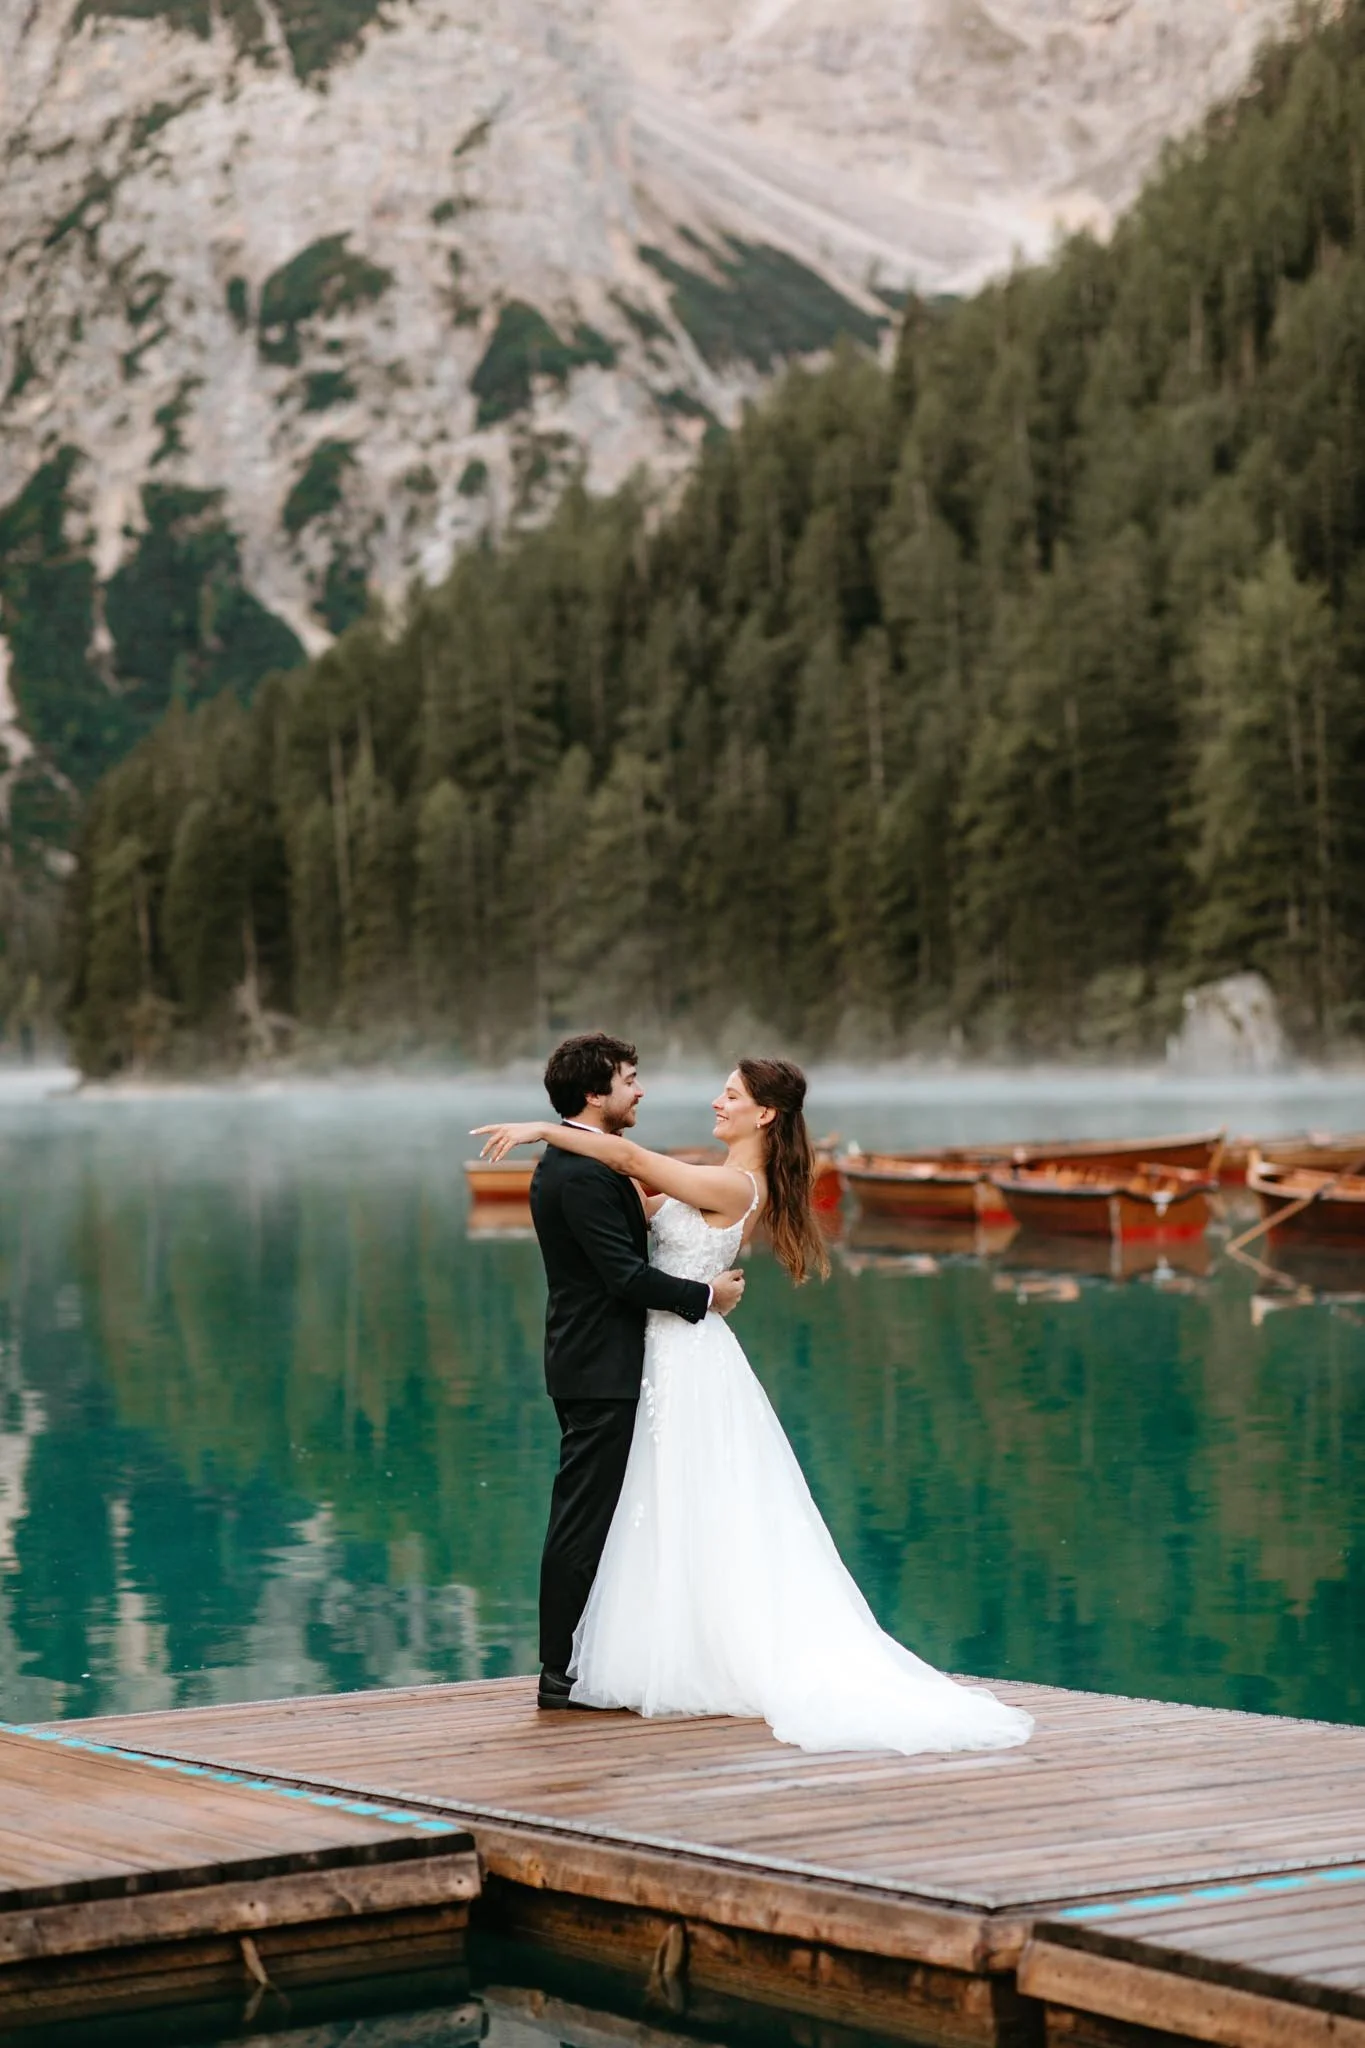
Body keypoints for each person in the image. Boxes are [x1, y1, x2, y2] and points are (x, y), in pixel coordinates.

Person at [476, 1053, 1032, 1756]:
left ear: (764, 1113)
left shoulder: (735, 1184)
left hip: (681, 1356)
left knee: (678, 1501)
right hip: (662, 1352)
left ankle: (660, 1656)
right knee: (666, 1504)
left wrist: (544, 1131)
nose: (717, 1101)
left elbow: (628, 1159)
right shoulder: (708, 1177)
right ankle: (647, 1648)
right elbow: (625, 1204)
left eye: (731, 1094)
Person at [518, 1033, 746, 1711]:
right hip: (598, 1367)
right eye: (629, 1079)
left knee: (605, 1515)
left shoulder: (584, 1163)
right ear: (596, 1094)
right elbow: (622, 1276)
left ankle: (594, 1656)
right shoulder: (581, 1173)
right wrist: (706, 1295)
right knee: (583, 1519)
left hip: (599, 1362)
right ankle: (558, 1671)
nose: (639, 1089)